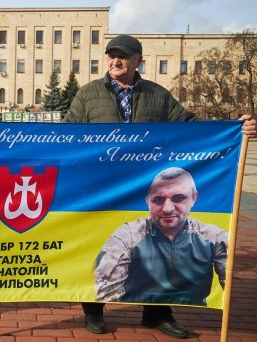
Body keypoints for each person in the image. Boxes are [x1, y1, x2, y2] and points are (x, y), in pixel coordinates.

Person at [64, 34, 256, 338]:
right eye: (112, 55)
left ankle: (157, 314)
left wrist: (235, 128)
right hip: (102, 188)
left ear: (139, 61)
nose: (116, 61)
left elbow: (191, 126)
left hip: (147, 189)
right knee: (97, 247)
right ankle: (93, 309)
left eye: (123, 56)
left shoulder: (158, 95)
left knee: (161, 250)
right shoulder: (88, 95)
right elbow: (66, 136)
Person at [95, 167, 227, 306]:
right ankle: (93, 314)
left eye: (178, 198)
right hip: (136, 302)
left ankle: (159, 317)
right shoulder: (128, 235)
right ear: (147, 201)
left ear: (194, 198)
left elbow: (230, 284)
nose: (167, 208)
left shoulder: (214, 238)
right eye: (158, 199)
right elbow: (105, 290)